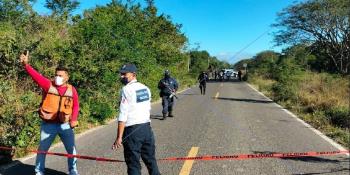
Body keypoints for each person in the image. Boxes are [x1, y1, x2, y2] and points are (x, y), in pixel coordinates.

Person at [20, 51, 79, 175]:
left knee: (71, 150)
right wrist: (26, 65)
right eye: (56, 75)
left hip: (65, 124)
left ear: (67, 77)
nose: (58, 77)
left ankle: (73, 171)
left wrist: (74, 119)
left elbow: (76, 106)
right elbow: (36, 76)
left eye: (61, 75)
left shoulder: (72, 89)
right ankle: (39, 172)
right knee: (42, 150)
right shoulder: (48, 85)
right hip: (49, 125)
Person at [112, 64, 160, 175]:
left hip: (132, 131)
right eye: (121, 74)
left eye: (124, 74)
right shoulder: (145, 88)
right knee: (151, 160)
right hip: (146, 129)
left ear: (133, 74)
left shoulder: (126, 89)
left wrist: (119, 137)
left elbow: (123, 115)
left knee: (133, 164)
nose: (121, 76)